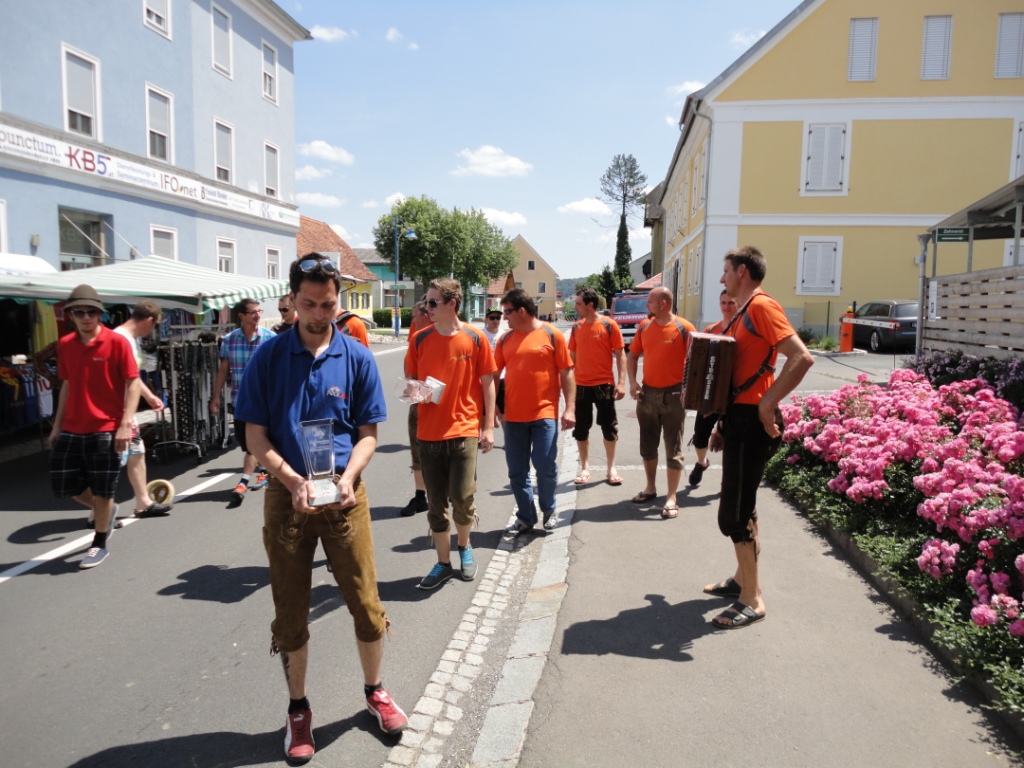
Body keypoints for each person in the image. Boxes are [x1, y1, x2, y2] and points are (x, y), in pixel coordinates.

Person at [234, 254, 408, 761]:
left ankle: (375, 691)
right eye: (308, 304)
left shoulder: (356, 356)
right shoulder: (269, 357)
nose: (317, 313)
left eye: (327, 304)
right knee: (290, 611)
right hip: (286, 495)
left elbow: (368, 434)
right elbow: (255, 436)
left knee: (366, 602)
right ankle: (298, 708)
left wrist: (349, 479)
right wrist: (291, 481)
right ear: (291, 299)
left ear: (338, 301)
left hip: (345, 494)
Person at [703, 246, 813, 630]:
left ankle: (752, 598)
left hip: (752, 422)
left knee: (733, 514)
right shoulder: (744, 311)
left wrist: (767, 404)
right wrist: (723, 424)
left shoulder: (762, 306)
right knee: (742, 505)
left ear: (742, 272)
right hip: (739, 420)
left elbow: (801, 357)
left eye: (726, 270)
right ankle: (741, 580)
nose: (722, 278)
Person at [405, 279, 497, 589]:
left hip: (464, 430)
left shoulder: (475, 338)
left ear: (452, 304)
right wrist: (419, 392)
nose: (426, 308)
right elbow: (410, 382)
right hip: (429, 433)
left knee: (462, 497)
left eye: (433, 303)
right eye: (426, 302)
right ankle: (443, 563)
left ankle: (464, 547)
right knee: (436, 504)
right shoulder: (419, 339)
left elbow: (488, 383)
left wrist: (487, 426)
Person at [49, 285, 140, 570]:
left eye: (92, 312)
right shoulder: (65, 345)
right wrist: (56, 425)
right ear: (71, 315)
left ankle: (99, 543)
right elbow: (67, 385)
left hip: (106, 428)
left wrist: (125, 424)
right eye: (80, 312)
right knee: (66, 484)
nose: (86, 317)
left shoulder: (116, 342)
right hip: (73, 427)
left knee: (103, 489)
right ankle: (105, 510)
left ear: (100, 314)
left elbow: (133, 383)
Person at [494, 288, 575, 535]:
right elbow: (493, 375)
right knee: (517, 471)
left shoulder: (551, 334)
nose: (504, 317)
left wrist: (570, 408)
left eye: (507, 312)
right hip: (513, 417)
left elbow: (566, 373)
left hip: (544, 413)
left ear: (521, 311)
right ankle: (526, 516)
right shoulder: (505, 340)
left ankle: (549, 509)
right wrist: (493, 407)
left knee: (545, 464)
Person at [626, 286, 696, 519]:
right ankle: (650, 488)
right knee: (648, 446)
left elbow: (698, 361)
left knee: (673, 449)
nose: (647, 305)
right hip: (647, 395)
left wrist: (690, 391)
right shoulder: (644, 326)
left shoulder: (685, 328)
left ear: (663, 304)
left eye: (650, 301)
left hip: (675, 396)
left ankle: (671, 497)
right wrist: (633, 383)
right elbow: (632, 355)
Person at [210, 298, 275, 503]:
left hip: (264, 402)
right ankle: (264, 471)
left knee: (253, 445)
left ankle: (243, 482)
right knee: (248, 444)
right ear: (241, 316)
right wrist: (215, 397)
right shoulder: (230, 339)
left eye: (259, 311)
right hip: (240, 402)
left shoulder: (270, 338)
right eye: (253, 312)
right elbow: (223, 370)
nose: (257, 315)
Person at [114, 300, 173, 518]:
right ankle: (98, 512)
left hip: (125, 409)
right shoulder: (120, 339)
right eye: (155, 325)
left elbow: (132, 376)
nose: (153, 330)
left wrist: (149, 396)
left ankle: (143, 502)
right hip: (116, 410)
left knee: (136, 451)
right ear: (149, 320)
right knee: (111, 459)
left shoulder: (131, 339)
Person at [568, 287, 626, 487]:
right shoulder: (576, 327)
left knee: (609, 428)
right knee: (581, 429)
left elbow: (621, 355)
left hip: (604, 385)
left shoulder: (609, 325)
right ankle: (585, 468)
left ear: (590, 305)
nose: (575, 307)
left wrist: (621, 383)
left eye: (578, 304)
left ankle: (611, 468)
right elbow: (571, 358)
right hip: (581, 386)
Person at [687, 290, 738, 488]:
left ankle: (729, 481)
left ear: (738, 304)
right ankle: (702, 462)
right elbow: (700, 362)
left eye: (731, 302)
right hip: (712, 390)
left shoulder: (742, 329)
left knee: (732, 439)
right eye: (723, 302)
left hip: (736, 393)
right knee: (700, 435)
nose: (726, 306)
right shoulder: (710, 329)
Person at [400, 298, 434, 517]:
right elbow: (409, 371)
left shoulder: (438, 338)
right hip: (417, 403)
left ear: (425, 317)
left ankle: (445, 493)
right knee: (417, 450)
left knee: (439, 451)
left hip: (439, 405)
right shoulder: (416, 339)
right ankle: (420, 496)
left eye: (414, 317)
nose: (412, 321)